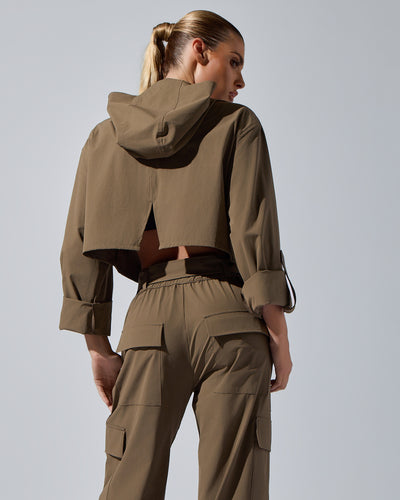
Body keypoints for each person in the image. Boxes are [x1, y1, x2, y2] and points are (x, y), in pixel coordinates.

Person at [58, 9, 296, 500]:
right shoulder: (238, 125)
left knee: (128, 484)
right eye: (234, 61)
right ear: (199, 51)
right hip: (228, 316)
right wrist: (278, 332)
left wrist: (98, 348)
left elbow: (78, 249)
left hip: (150, 320)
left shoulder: (104, 138)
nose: (240, 80)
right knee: (236, 487)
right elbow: (254, 231)